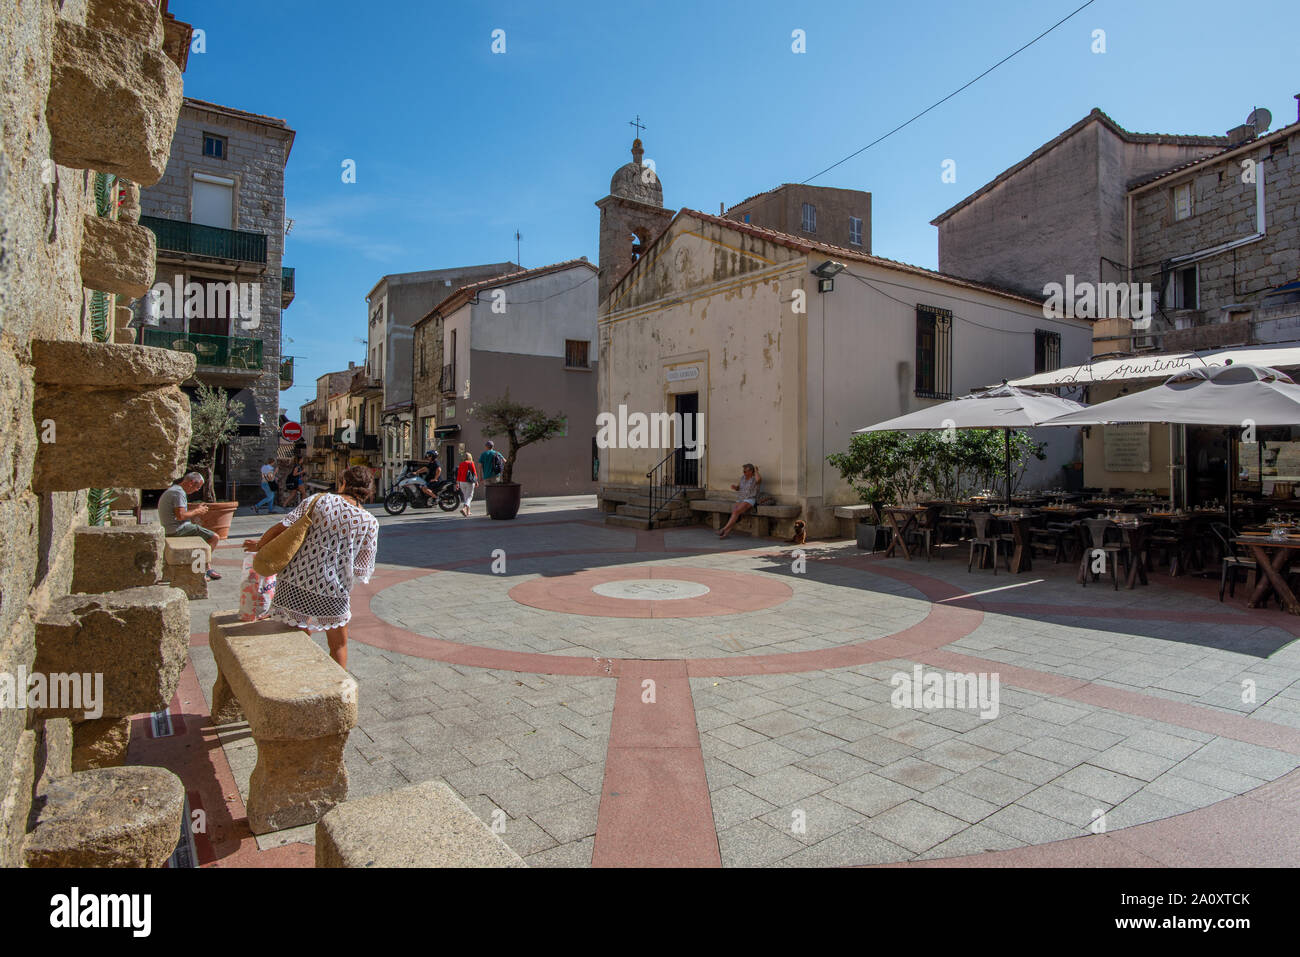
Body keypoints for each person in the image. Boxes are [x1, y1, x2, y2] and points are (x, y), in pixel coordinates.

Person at [242, 465, 378, 669]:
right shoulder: (370, 522)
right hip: (334, 588)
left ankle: (300, 677)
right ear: (368, 489)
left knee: (298, 637)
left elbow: (284, 526)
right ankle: (337, 690)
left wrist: (260, 545)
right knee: (338, 645)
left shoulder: (321, 500)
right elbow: (362, 567)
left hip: (295, 578)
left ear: (343, 483)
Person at [158, 472, 222, 580]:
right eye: (197, 487)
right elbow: (181, 516)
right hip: (177, 529)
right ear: (191, 483)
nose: (197, 490)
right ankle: (203, 568)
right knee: (214, 537)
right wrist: (198, 511)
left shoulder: (174, 490)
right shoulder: (178, 493)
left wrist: (195, 510)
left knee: (203, 535)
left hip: (170, 528)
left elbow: (179, 512)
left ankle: (206, 567)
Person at [719, 463, 762, 539]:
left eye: (745, 471)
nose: (744, 473)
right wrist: (735, 487)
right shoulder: (742, 478)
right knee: (735, 513)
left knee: (736, 512)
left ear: (751, 471)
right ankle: (726, 533)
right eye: (743, 471)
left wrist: (756, 471)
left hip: (750, 499)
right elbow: (739, 488)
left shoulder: (754, 479)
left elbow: (759, 480)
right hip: (740, 499)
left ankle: (724, 529)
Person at [455, 450, 478, 517]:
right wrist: (476, 481)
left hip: (462, 482)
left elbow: (458, 474)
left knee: (466, 496)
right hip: (469, 482)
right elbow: (474, 473)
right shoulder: (471, 463)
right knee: (469, 496)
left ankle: (468, 512)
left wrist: (457, 483)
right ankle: (464, 509)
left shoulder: (461, 464)